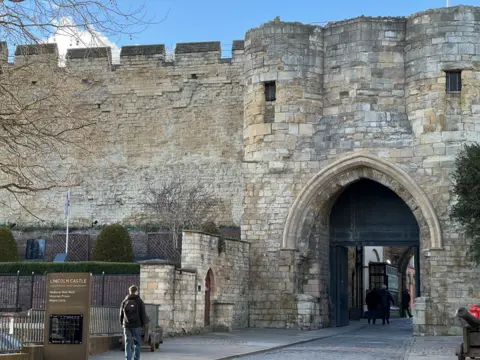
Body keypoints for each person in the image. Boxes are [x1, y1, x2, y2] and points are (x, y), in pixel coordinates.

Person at [120, 285, 147, 360]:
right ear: (136, 291)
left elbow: (121, 314)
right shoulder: (139, 301)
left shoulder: (125, 301)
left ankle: (128, 358)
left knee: (128, 343)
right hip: (136, 325)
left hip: (127, 325)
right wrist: (143, 324)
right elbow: (143, 313)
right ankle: (136, 358)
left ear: (130, 291)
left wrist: (122, 323)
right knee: (137, 343)